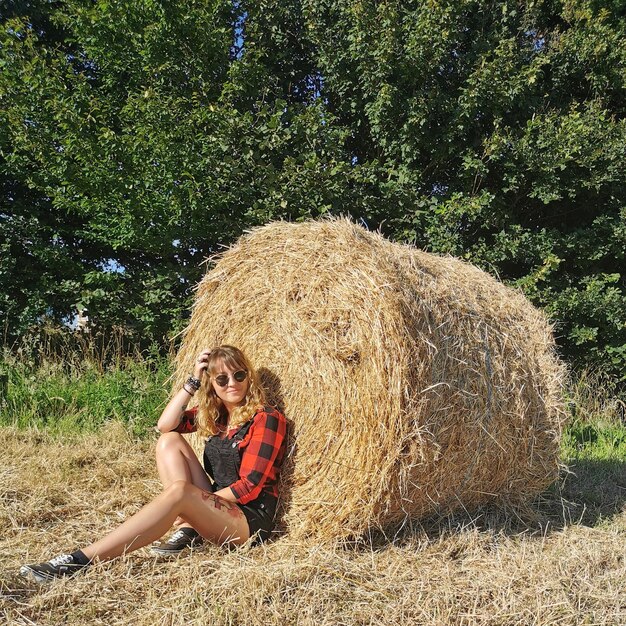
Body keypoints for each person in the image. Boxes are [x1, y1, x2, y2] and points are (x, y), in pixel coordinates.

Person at [20, 345, 287, 583]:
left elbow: (249, 487)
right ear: (212, 385)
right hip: (219, 504)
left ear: (248, 377)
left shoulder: (266, 418)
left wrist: (191, 504)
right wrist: (193, 381)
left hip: (249, 520)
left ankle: (80, 560)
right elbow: (165, 424)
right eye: (222, 378)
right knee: (169, 441)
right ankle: (189, 531)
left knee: (180, 492)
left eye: (239, 375)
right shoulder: (216, 416)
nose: (232, 383)